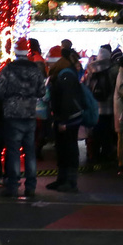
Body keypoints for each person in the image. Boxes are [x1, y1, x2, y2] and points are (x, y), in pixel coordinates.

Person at [0, 44, 47, 199]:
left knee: (13, 151)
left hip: (12, 115)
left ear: (15, 53)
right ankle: (31, 186)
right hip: (30, 115)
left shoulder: (8, 70)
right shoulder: (35, 70)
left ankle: (13, 186)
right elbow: (42, 91)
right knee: (30, 151)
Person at [47, 50, 85, 192]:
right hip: (65, 117)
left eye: (49, 59)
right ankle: (62, 179)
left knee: (69, 148)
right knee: (63, 148)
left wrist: (62, 121)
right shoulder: (63, 73)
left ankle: (70, 181)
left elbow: (66, 99)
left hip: (69, 119)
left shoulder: (65, 75)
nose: (47, 62)